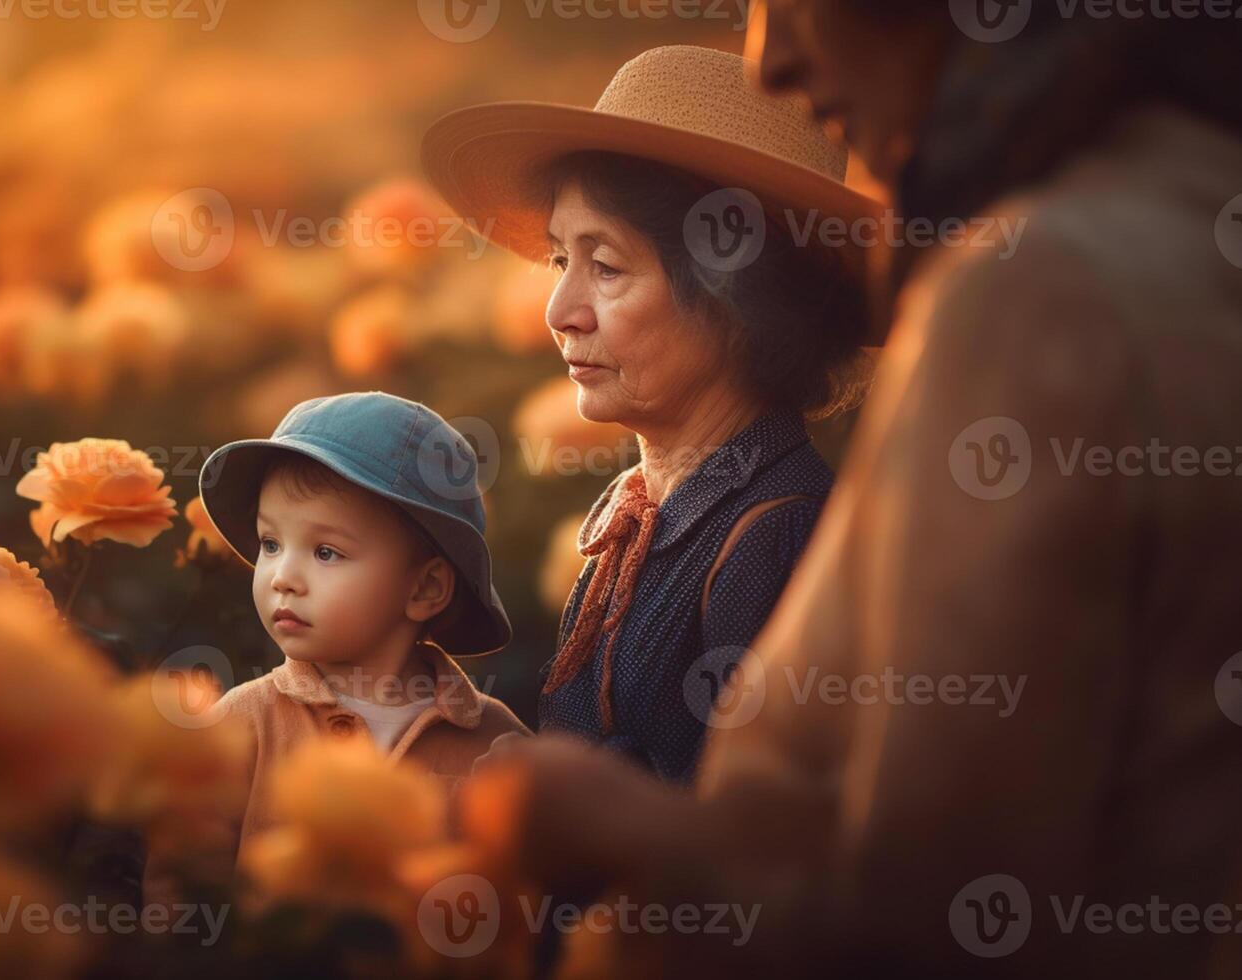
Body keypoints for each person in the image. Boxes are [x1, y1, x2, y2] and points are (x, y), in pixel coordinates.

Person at [464, 8, 1242, 978]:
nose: (769, 56)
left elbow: (928, 906)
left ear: (738, 299)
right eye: (556, 256)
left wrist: (598, 819)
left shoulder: (1035, 291)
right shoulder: (1186, 219)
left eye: (793, 3)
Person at [422, 45, 877, 781]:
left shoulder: (774, 537)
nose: (560, 311)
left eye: (604, 266)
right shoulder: (640, 514)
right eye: (556, 261)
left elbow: (731, 849)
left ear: (739, 302)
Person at [185, 392, 529, 867]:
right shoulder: (242, 724)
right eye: (270, 543)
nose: (282, 576)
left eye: (326, 552)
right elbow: (180, 892)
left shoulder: (495, 742)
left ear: (426, 588)